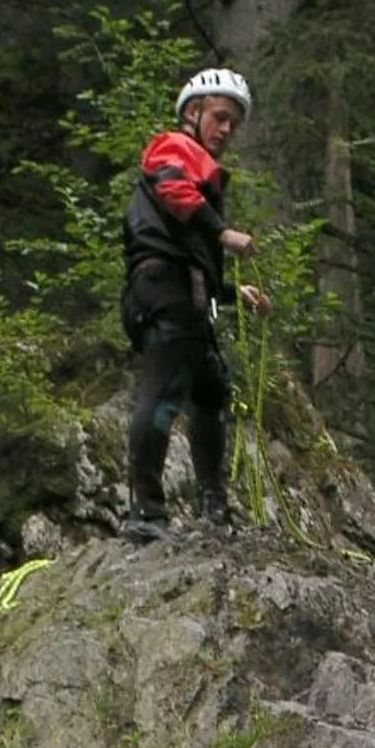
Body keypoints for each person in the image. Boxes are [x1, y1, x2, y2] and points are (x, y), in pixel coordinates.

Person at [120, 68, 271, 541]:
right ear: (193, 112)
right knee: (163, 393)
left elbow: (191, 247)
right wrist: (223, 233)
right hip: (166, 287)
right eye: (220, 118)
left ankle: (213, 507)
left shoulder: (199, 164)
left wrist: (232, 294)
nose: (226, 130)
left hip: (184, 290)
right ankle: (145, 514)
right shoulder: (175, 147)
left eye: (233, 124)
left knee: (210, 390)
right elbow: (171, 190)